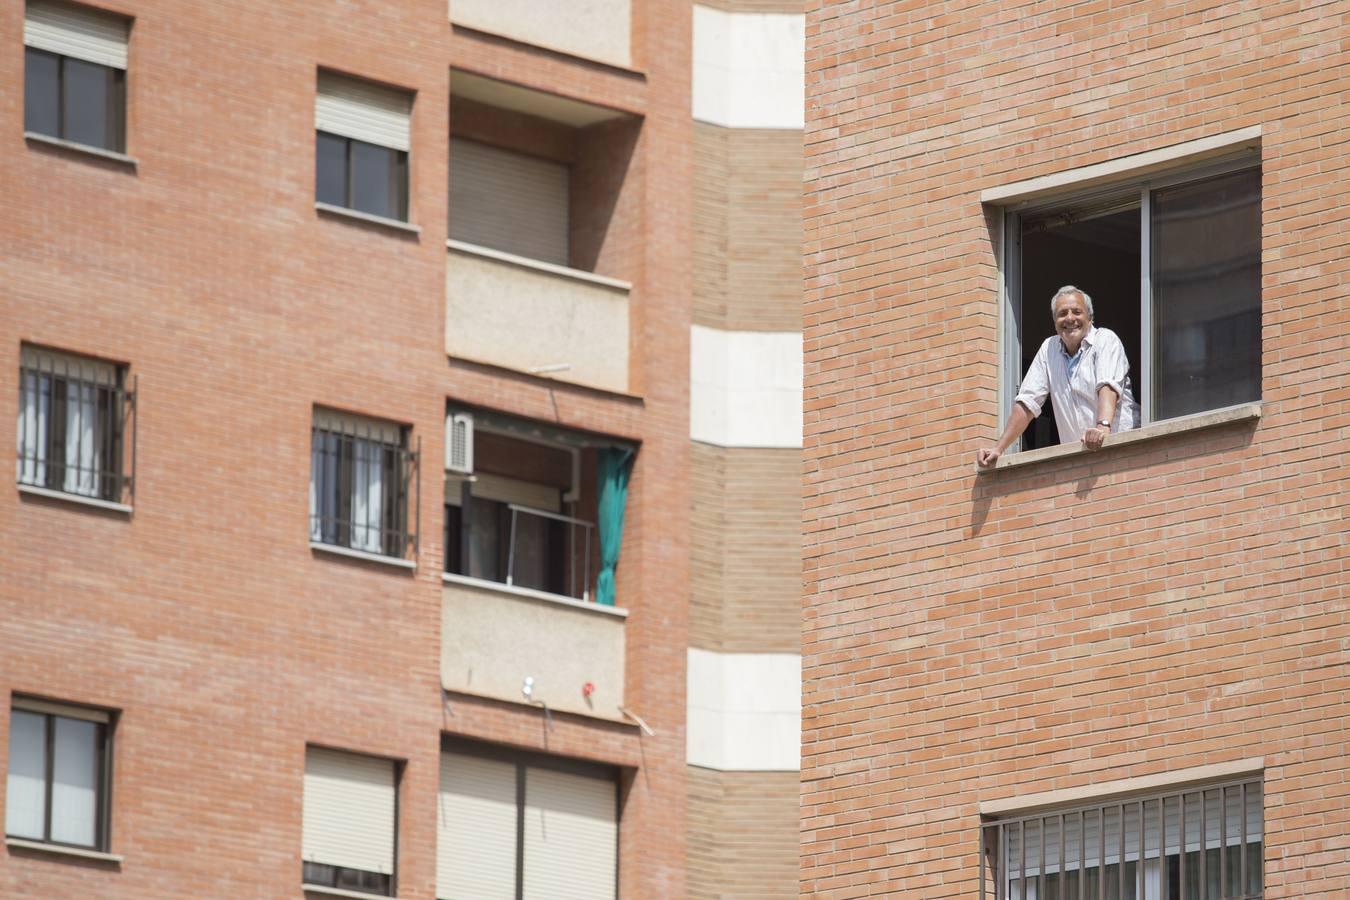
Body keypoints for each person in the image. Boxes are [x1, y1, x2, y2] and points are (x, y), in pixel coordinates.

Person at [977, 285, 1139, 468]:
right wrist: (999, 448)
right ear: (1055, 322)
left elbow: (1107, 387)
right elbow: (1027, 402)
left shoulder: (1105, 339)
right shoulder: (1049, 349)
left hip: (1123, 450)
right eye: (1062, 314)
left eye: (1077, 312)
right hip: (1081, 458)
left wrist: (1102, 427)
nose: (1070, 318)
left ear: (1090, 318)